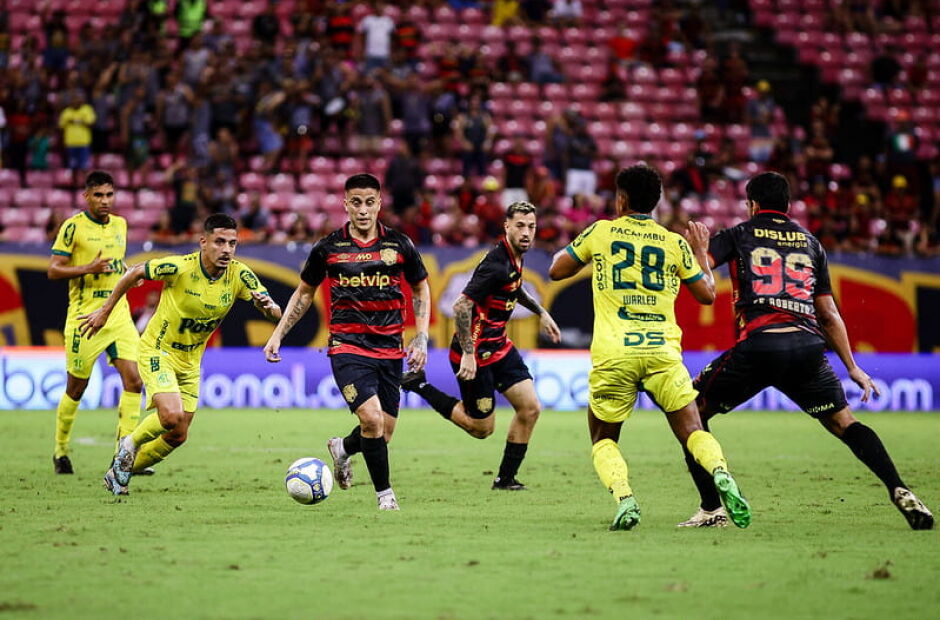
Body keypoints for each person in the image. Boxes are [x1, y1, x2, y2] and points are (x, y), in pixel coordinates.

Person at [679, 172, 934, 530]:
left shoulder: (739, 235)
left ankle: (711, 509)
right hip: (808, 348)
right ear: (787, 205)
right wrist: (853, 367)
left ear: (752, 204)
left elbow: (698, 278)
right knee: (845, 423)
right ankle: (899, 487)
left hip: (761, 343)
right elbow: (829, 314)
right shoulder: (811, 243)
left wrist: (698, 252)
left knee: (689, 410)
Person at [549, 164, 751, 531]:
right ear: (656, 202)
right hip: (663, 352)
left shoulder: (602, 231)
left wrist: (590, 254)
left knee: (603, 437)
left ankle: (625, 498)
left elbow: (556, 271)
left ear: (621, 199)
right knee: (693, 430)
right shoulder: (673, 241)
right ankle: (721, 472)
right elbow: (707, 294)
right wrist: (702, 253)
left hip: (615, 352)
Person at [77, 214, 282, 495]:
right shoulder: (179, 266)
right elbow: (134, 272)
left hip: (191, 361)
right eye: (219, 242)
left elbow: (275, 311)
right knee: (170, 416)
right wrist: (103, 312)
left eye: (232, 244)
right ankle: (128, 444)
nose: (227, 250)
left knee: (178, 433)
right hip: (157, 350)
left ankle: (121, 469)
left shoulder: (239, 274)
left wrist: (267, 306)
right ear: (203, 242)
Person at [262, 174, 431, 511]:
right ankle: (386, 497)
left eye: (370, 202)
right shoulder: (328, 248)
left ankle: (342, 448)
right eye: (356, 202)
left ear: (380, 203)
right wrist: (278, 334)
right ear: (345, 204)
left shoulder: (399, 245)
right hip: (347, 346)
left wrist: (422, 336)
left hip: (390, 348)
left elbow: (421, 288)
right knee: (371, 420)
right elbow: (304, 293)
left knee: (383, 432)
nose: (364, 210)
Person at [402, 201, 560, 489]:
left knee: (530, 408)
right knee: (481, 428)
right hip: (475, 353)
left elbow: (514, 286)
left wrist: (541, 312)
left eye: (531, 227)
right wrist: (470, 354)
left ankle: (505, 479)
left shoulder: (514, 258)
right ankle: (417, 384)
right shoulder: (496, 263)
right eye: (520, 226)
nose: (527, 232)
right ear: (507, 227)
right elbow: (461, 306)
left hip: (499, 347)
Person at [47, 171, 143, 475]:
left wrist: (127, 276)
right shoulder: (72, 227)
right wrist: (88, 267)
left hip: (118, 314)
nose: (105, 201)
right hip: (85, 318)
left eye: (109, 195)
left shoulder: (121, 225)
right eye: (99, 195)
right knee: (76, 388)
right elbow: (53, 270)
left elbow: (117, 265)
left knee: (135, 381)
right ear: (86, 196)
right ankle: (60, 449)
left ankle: (123, 456)